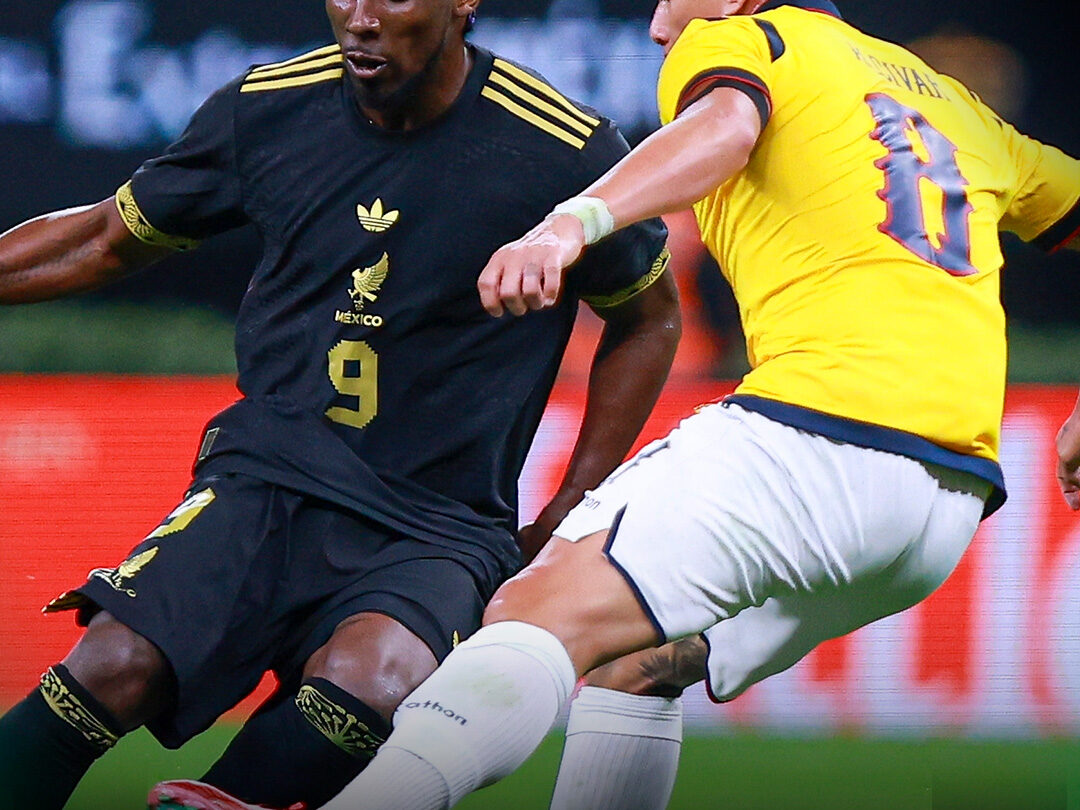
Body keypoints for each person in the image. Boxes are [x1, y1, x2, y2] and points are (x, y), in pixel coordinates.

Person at [323, 0, 1080, 808]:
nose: (658, 26)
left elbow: (727, 127)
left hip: (823, 435)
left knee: (538, 608)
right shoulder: (949, 102)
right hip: (946, 504)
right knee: (638, 662)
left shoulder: (746, 39)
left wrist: (568, 225)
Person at [0, 0, 682, 807]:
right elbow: (105, 238)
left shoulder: (563, 148)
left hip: (440, 522)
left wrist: (570, 504)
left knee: (375, 679)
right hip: (267, 478)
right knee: (114, 666)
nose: (358, 19)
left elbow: (650, 316)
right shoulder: (266, 108)